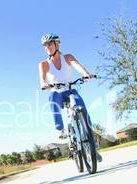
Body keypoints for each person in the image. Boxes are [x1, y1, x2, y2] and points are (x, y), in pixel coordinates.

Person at [38, 33, 102, 162]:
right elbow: (42, 79)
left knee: (84, 113)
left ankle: (93, 149)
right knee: (52, 98)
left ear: (57, 44)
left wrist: (86, 74)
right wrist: (45, 84)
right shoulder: (44, 63)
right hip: (57, 92)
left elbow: (78, 66)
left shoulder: (67, 57)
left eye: (50, 44)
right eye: (45, 45)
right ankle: (60, 129)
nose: (47, 47)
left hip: (71, 90)